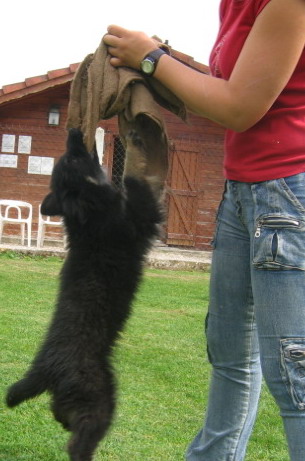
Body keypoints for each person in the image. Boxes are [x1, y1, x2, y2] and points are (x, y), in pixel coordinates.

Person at [103, 0, 305, 459]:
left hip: (288, 194)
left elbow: (240, 107)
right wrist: (156, 58)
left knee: (295, 376)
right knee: (230, 355)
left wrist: (152, 60)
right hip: (242, 193)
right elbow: (230, 87)